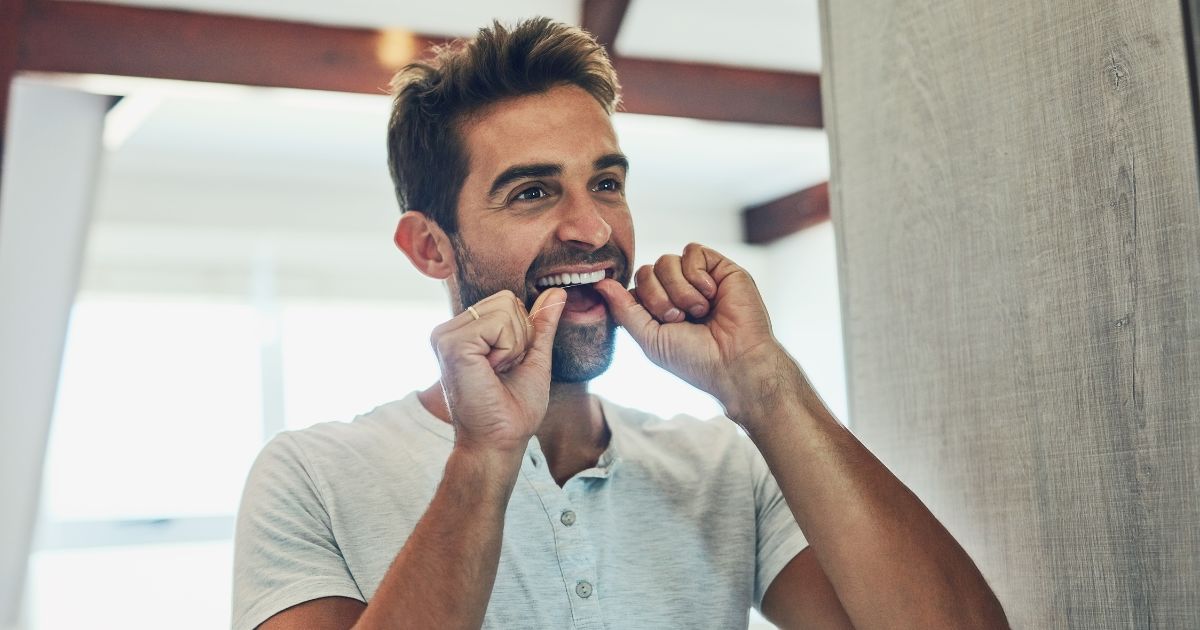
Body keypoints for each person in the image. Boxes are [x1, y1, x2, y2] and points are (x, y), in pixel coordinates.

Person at [232, 17, 1008, 630]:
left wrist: (765, 388)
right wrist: (485, 456)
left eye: (605, 182)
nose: (593, 229)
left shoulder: (723, 468)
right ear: (431, 247)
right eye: (533, 193)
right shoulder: (309, 476)